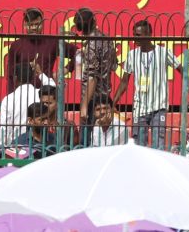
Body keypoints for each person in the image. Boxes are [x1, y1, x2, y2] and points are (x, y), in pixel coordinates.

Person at [113, 19, 180, 148]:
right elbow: (124, 81)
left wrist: (188, 85)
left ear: (148, 34)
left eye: (138, 35)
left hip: (158, 107)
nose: (134, 38)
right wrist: (113, 102)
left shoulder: (163, 52)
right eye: (134, 34)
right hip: (140, 108)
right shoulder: (132, 55)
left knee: (158, 146)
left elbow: (181, 68)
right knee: (138, 145)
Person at [73, 8, 117, 132]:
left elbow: (93, 77)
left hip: (92, 100)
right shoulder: (105, 39)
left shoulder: (92, 44)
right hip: (105, 96)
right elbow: (114, 65)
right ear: (94, 21)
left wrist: (84, 106)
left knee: (87, 140)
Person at [5, 9, 58, 90]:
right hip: (23, 95)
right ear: (25, 25)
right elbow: (10, 74)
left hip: (46, 94)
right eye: (31, 24)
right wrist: (12, 95)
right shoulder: (16, 45)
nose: (34, 27)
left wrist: (65, 70)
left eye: (37, 24)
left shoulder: (52, 43)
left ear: (42, 24)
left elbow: (77, 52)